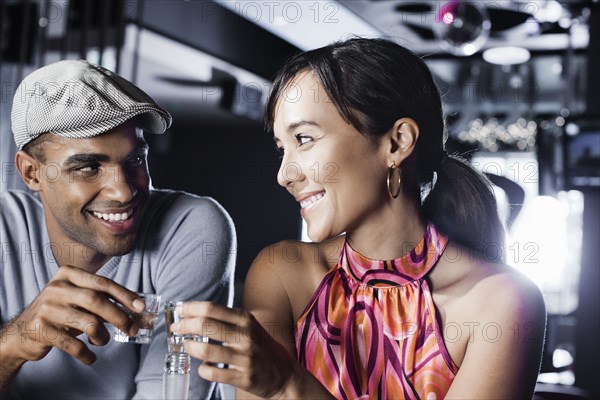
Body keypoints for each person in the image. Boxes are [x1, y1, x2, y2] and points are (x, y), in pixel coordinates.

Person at [170, 38, 547, 399]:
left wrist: (289, 385)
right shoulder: (281, 274)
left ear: (396, 143)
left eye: (304, 139)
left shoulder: (502, 304)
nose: (284, 175)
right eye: (282, 148)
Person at [0, 60, 236, 399]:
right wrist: (13, 344)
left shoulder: (190, 226)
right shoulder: (5, 229)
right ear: (31, 173)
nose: (123, 191)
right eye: (88, 167)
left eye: (135, 160)